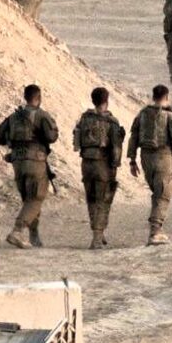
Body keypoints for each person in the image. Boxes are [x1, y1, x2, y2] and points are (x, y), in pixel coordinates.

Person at [0, 84, 58, 249]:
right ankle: (17, 231)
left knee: (28, 199)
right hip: (35, 161)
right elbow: (52, 137)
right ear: (39, 98)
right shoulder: (42, 115)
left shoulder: (13, 117)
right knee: (36, 198)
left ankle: (33, 235)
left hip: (17, 161)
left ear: (25, 97)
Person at [127, 85, 172, 245]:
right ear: (166, 97)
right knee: (163, 193)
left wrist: (132, 160)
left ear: (153, 97)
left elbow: (133, 137)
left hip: (145, 158)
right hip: (163, 157)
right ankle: (155, 231)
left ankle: (156, 227)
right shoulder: (170, 116)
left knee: (157, 191)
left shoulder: (142, 114)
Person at [73, 87, 125, 249]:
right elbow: (116, 147)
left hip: (86, 163)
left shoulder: (84, 118)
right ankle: (97, 237)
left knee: (91, 198)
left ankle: (99, 233)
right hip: (103, 164)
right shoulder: (111, 122)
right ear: (107, 101)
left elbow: (77, 142)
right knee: (103, 200)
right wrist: (115, 165)